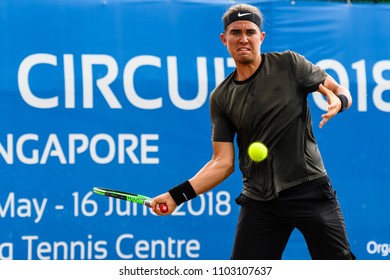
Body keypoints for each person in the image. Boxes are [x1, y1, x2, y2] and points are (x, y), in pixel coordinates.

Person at [150, 3, 355, 260]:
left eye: (250, 31)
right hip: (260, 201)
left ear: (262, 37)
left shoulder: (290, 63)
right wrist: (176, 196)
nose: (243, 38)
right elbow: (221, 163)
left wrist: (339, 101)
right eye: (236, 32)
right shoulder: (221, 97)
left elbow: (339, 90)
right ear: (225, 39)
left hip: (309, 190)